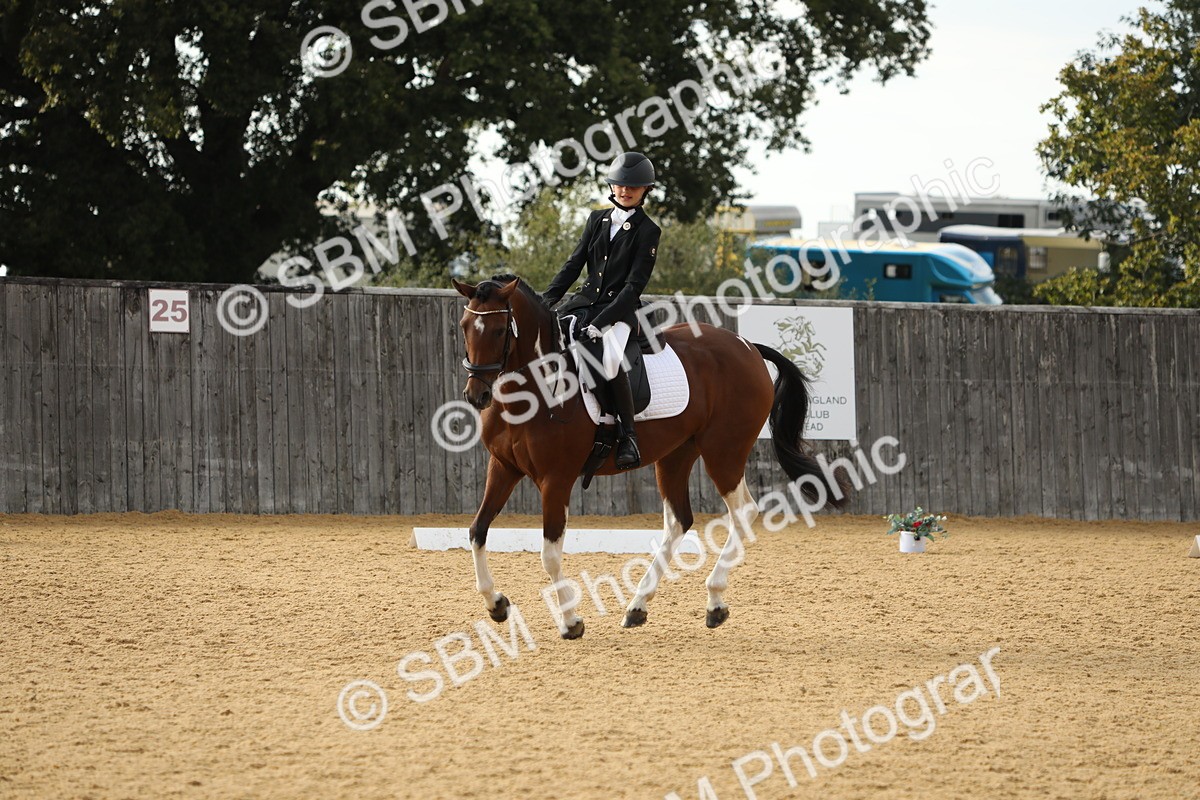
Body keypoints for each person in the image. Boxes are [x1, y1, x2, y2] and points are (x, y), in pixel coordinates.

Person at [542, 152, 661, 470]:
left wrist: (602, 322)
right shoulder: (597, 219)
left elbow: (633, 287)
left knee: (608, 360)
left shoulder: (648, 231)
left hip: (619, 311)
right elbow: (574, 264)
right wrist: (547, 300)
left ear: (645, 190)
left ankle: (627, 435)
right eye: (620, 185)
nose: (625, 190)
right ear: (612, 186)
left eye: (633, 187)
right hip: (583, 303)